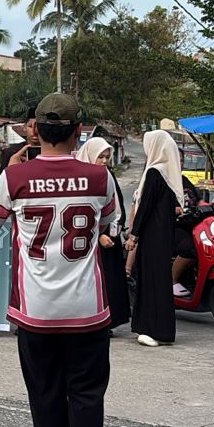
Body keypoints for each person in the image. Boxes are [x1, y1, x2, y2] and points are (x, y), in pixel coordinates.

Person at [0, 92, 117, 427]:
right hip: (87, 309)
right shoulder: (99, 178)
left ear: (35, 129)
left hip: (36, 310)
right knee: (87, 395)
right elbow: (110, 220)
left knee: (45, 393)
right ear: (80, 132)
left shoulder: (15, 177)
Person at [127, 129, 183, 348]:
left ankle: (152, 329)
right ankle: (159, 329)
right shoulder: (168, 174)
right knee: (159, 281)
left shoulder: (154, 173)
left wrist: (134, 235)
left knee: (151, 281)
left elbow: (145, 209)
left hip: (152, 236)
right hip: (163, 236)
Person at [78, 136, 130, 331]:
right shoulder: (83, 179)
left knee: (111, 281)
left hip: (111, 237)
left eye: (107, 157)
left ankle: (109, 321)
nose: (104, 161)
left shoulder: (108, 175)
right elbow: (83, 210)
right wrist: (98, 235)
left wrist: (115, 229)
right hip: (90, 240)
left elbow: (116, 206)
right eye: (100, 157)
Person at [0, 107, 40, 171]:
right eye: (30, 126)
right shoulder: (11, 152)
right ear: (24, 127)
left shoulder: (51, 152)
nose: (34, 132)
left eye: (38, 126)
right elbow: (2, 178)